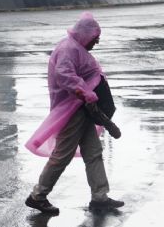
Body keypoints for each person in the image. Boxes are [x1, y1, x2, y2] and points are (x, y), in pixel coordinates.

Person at [24, 12, 124, 215]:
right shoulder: (68, 49)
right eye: (94, 40)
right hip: (72, 109)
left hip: (81, 108)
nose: (95, 44)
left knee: (93, 152)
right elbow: (65, 75)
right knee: (62, 155)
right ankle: (38, 196)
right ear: (86, 35)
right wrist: (87, 93)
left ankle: (100, 197)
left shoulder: (75, 47)